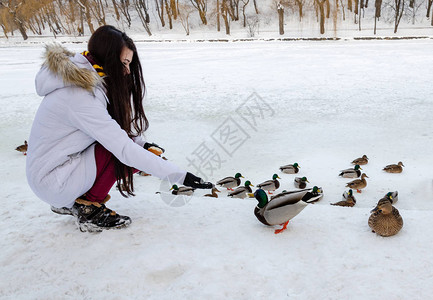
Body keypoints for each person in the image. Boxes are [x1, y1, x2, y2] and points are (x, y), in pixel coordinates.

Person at [26, 25, 212, 232]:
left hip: (56, 172)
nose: (127, 71)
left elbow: (114, 131)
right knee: (122, 153)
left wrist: (143, 144)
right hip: (54, 180)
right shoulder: (79, 96)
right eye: (124, 63)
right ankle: (88, 208)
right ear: (108, 56)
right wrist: (180, 176)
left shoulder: (85, 83)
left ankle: (75, 201)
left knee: (135, 150)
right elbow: (123, 148)